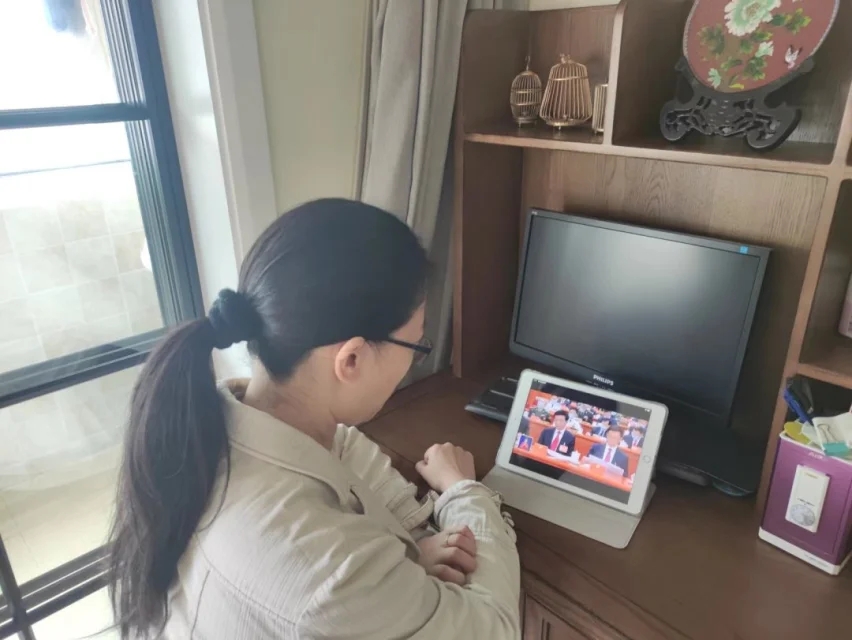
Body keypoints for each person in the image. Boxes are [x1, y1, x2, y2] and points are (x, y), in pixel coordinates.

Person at [107, 199, 520, 639]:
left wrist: (410, 561)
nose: (413, 363)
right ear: (352, 359)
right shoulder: (326, 570)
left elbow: (348, 453)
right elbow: (495, 629)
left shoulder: (214, 424)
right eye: (417, 347)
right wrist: (463, 491)